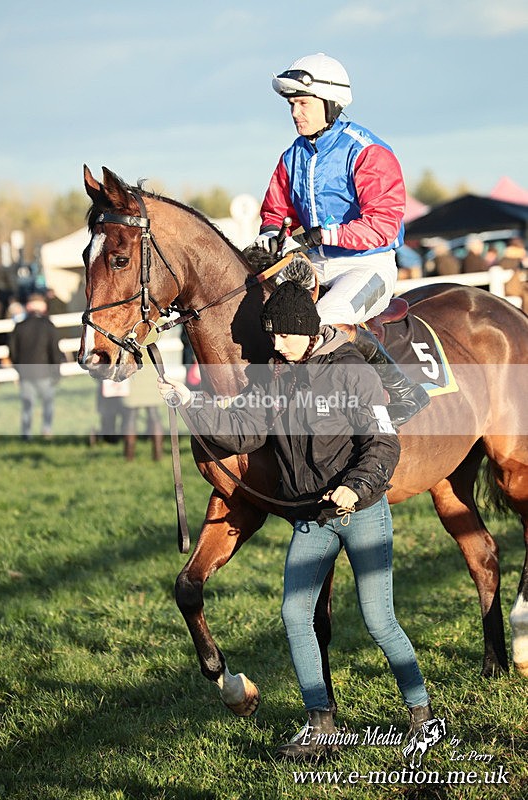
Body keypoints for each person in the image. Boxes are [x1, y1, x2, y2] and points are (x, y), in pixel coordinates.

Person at [157, 263, 433, 761]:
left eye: (284, 335)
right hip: (312, 519)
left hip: (361, 512)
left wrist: (355, 487)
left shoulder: (351, 369)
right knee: (294, 614)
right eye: (272, 335)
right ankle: (320, 725)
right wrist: (189, 405)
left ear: (307, 331)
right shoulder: (276, 376)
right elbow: (244, 433)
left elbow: (382, 442)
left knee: (379, 621)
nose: (276, 344)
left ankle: (422, 716)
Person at [252, 52, 429, 427]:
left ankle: (403, 391)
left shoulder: (368, 151)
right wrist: (270, 232)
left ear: (330, 103)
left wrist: (325, 234)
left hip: (368, 264)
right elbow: (276, 210)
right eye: (291, 105)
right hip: (314, 266)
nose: (295, 113)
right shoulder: (292, 156)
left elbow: (383, 225)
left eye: (303, 103)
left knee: (320, 320)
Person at [9, 293, 64, 440]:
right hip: (45, 372)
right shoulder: (48, 326)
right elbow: (55, 351)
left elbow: (13, 352)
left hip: (26, 372)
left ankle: (26, 434)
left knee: (27, 405)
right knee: (48, 403)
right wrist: (56, 371)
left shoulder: (19, 327)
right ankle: (47, 430)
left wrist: (19, 368)